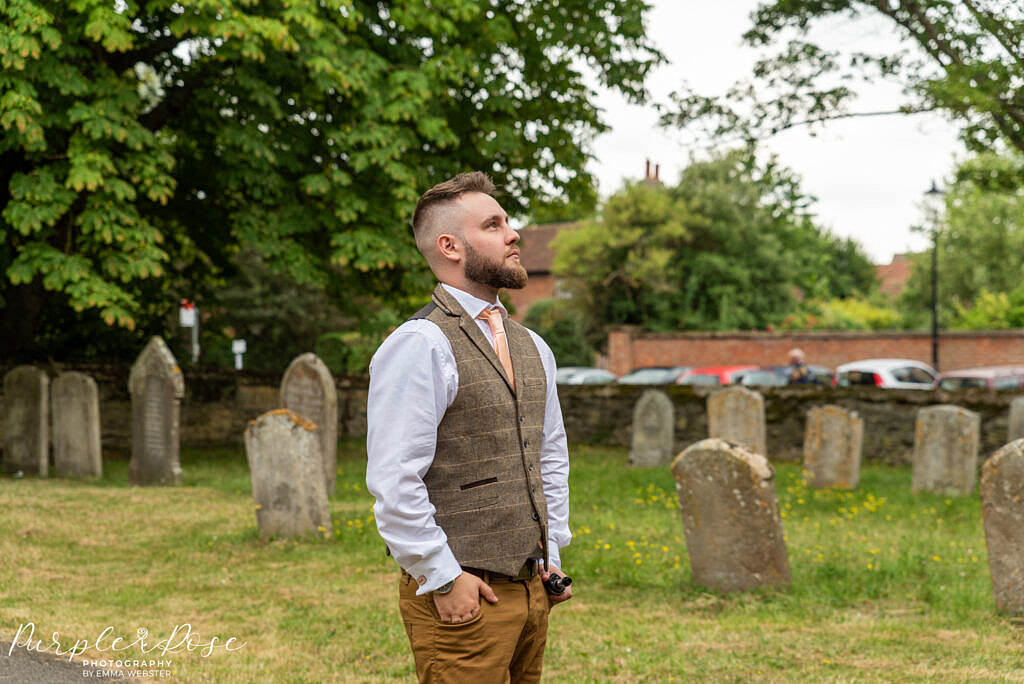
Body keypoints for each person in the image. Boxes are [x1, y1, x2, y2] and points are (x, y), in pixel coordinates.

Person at [365, 171, 572, 683]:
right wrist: (442, 575)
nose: (513, 233)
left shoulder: (533, 345)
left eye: (508, 221)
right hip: (464, 593)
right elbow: (394, 480)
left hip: (531, 589)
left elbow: (548, 454)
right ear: (450, 246)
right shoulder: (420, 344)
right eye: (494, 224)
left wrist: (553, 553)